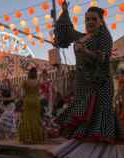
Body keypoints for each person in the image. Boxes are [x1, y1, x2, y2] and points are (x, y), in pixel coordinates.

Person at [50, 1, 124, 157]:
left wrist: (86, 51)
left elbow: (103, 58)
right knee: (84, 121)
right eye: (87, 19)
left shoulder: (104, 37)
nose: (90, 22)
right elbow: (68, 31)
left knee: (97, 119)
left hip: (99, 84)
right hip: (82, 84)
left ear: (100, 21)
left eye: (93, 19)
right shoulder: (82, 37)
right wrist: (64, 10)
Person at [19, 68, 45, 144]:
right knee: (36, 118)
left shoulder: (25, 82)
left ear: (29, 74)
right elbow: (42, 91)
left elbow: (18, 91)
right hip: (36, 100)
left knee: (27, 118)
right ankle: (36, 137)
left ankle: (28, 138)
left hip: (27, 100)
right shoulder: (38, 82)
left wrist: (22, 97)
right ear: (36, 74)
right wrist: (38, 95)